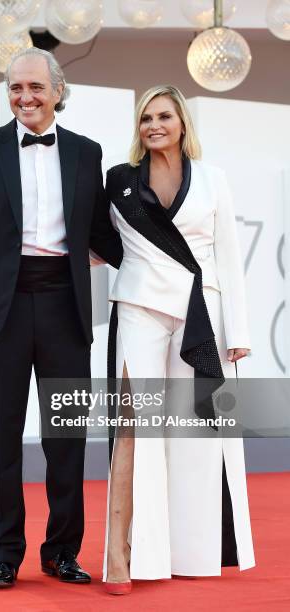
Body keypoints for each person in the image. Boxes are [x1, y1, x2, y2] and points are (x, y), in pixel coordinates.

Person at [0, 47, 122, 589]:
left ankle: (63, 551)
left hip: (66, 309)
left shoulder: (87, 153)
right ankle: (2, 553)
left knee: (65, 437)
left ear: (57, 91)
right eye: (16, 88)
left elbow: (101, 233)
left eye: (35, 88)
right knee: (0, 438)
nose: (25, 97)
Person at [102, 85, 255, 595]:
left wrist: (239, 332)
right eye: (145, 118)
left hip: (201, 314)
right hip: (141, 309)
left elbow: (230, 257)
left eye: (164, 115)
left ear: (182, 122)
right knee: (137, 430)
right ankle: (124, 557)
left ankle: (192, 551)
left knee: (196, 435)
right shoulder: (120, 181)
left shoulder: (213, 180)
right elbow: (101, 244)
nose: (154, 125)